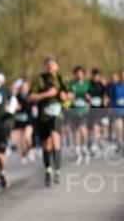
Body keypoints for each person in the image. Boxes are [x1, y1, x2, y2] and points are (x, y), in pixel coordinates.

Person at [29, 56, 70, 187]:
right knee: (47, 143)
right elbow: (30, 97)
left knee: (56, 139)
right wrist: (46, 94)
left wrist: (66, 98)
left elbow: (70, 95)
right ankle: (48, 170)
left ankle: (57, 170)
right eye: (48, 64)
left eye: (53, 64)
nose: (50, 66)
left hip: (58, 116)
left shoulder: (62, 79)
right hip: (44, 116)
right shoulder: (39, 80)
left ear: (57, 66)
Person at [66, 65, 91, 162]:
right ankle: (78, 152)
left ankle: (85, 149)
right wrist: (69, 98)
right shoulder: (71, 84)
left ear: (83, 74)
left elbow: (92, 95)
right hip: (73, 111)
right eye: (77, 73)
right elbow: (67, 95)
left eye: (81, 73)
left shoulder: (87, 84)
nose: (79, 75)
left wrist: (89, 100)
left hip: (84, 110)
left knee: (83, 130)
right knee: (76, 131)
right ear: (75, 74)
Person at [10, 79, 34, 163]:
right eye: (23, 87)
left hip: (29, 120)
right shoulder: (16, 97)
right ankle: (23, 154)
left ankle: (29, 150)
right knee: (21, 140)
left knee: (27, 137)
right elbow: (13, 106)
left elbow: (35, 105)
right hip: (19, 120)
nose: (24, 88)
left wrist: (35, 108)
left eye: (26, 87)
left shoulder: (31, 96)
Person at [88, 68, 109, 155]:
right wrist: (88, 98)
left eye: (97, 76)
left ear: (100, 76)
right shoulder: (89, 84)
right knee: (95, 128)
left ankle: (102, 141)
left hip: (103, 110)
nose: (95, 78)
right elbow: (86, 93)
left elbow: (108, 95)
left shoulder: (103, 85)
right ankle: (94, 145)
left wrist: (106, 98)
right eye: (94, 76)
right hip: (94, 110)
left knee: (104, 130)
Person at [111, 71, 124, 153]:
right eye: (122, 75)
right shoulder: (115, 86)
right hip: (118, 111)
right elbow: (111, 97)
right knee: (119, 127)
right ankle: (119, 144)